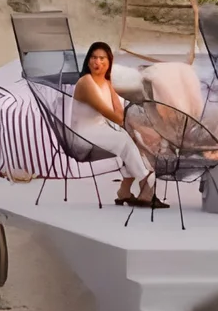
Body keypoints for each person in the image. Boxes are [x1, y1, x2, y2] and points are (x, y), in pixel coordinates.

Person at [69, 41, 162, 208]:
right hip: (83, 135)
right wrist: (126, 126)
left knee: (133, 139)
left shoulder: (105, 82)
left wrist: (132, 128)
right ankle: (146, 181)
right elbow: (109, 113)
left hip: (100, 130)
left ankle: (124, 192)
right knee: (124, 140)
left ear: (109, 62)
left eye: (102, 59)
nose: (97, 62)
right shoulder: (86, 82)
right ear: (88, 61)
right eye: (94, 58)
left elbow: (119, 112)